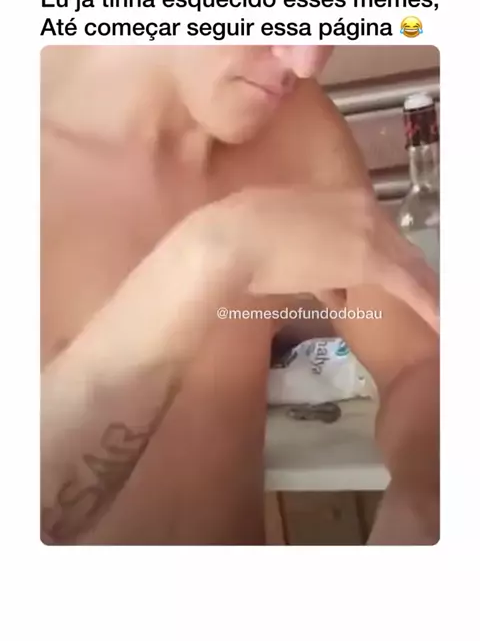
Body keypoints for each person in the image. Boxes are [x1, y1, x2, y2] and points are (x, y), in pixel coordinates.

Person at [41, 46, 439, 545]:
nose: (306, 62)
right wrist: (212, 254)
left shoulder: (289, 120)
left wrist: (426, 495)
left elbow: (417, 359)